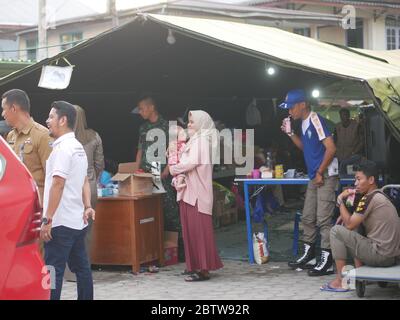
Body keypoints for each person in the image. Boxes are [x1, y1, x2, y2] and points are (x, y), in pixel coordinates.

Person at [280, 89, 338, 276]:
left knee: (323, 218)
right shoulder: (304, 122)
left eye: (291, 107)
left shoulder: (315, 119)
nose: (289, 111)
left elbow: (331, 148)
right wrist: (290, 134)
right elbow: (306, 148)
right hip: (315, 175)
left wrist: (320, 172)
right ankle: (309, 254)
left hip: (326, 174)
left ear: (303, 104)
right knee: (307, 216)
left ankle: (327, 260)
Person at [41, 101, 95, 300]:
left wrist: (47, 219)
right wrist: (87, 206)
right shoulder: (78, 147)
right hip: (77, 221)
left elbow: (58, 184)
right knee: (82, 269)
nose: (47, 121)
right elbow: (83, 180)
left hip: (60, 223)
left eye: (51, 117)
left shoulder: (63, 149)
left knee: (51, 271)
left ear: (63, 120)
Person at [321, 161, 400, 292]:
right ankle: (360, 277)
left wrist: (340, 200)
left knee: (336, 231)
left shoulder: (368, 199)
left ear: (371, 180)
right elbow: (354, 223)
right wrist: (346, 213)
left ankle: (342, 281)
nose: (356, 183)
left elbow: (349, 224)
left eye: (359, 179)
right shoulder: (381, 195)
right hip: (392, 256)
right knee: (357, 229)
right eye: (355, 179)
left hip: (381, 255)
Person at [169, 110, 223, 281]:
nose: (189, 125)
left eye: (192, 122)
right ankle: (194, 266)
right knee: (190, 231)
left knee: (199, 232)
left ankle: (203, 269)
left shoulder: (201, 142)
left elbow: (190, 163)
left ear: (202, 123)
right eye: (189, 122)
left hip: (197, 195)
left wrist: (173, 169)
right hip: (189, 193)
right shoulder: (195, 140)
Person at [133, 94, 184, 260]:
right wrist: (136, 169)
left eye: (142, 108)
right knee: (149, 211)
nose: (140, 112)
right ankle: (156, 249)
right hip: (147, 174)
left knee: (170, 212)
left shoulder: (167, 126)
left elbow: (175, 149)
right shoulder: (143, 128)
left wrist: (167, 170)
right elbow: (140, 150)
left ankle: (181, 249)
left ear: (151, 107)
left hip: (163, 174)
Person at [64, 105, 105, 282]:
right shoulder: (94, 136)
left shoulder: (64, 138)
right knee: (87, 230)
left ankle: (68, 272)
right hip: (90, 186)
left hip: (69, 187)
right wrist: (92, 178)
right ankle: (84, 269)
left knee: (66, 228)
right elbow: (100, 164)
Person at [1, 89, 52, 204]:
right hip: (16, 203)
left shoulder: (42, 135)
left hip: (37, 206)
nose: (2, 114)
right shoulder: (11, 136)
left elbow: (52, 178)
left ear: (13, 108)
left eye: (4, 109)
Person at [334, 108, 364, 174]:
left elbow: (362, 141)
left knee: (352, 177)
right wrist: (335, 153)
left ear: (348, 115)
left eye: (345, 115)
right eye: (341, 115)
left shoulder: (356, 125)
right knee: (341, 175)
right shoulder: (337, 126)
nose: (343, 117)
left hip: (353, 157)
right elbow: (334, 141)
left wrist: (354, 152)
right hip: (340, 158)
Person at [167, 124, 187, 190]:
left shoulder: (175, 143)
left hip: (173, 161)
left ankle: (176, 183)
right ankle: (177, 183)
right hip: (175, 161)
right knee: (180, 173)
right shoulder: (178, 143)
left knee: (177, 174)